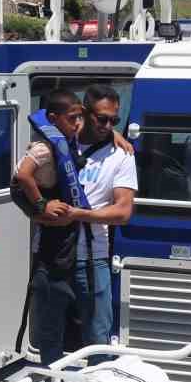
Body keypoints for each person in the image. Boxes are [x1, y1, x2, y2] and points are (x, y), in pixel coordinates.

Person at [15, 86, 137, 363]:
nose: (107, 126)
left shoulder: (122, 156)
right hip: (50, 256)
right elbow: (23, 181)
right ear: (83, 113)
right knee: (49, 337)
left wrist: (78, 215)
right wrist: (40, 207)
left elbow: (123, 211)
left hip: (92, 261)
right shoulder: (55, 141)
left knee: (97, 340)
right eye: (102, 119)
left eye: (114, 121)